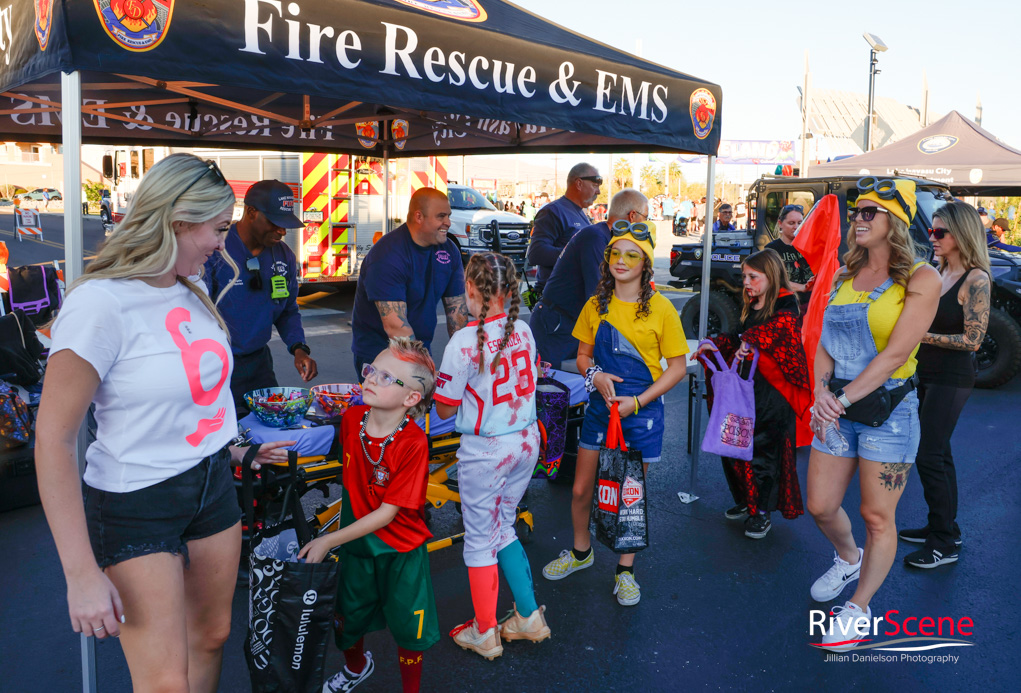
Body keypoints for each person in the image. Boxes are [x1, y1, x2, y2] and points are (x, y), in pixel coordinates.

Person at [34, 154, 294, 692]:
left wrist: (233, 450)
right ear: (176, 221)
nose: (222, 245)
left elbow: (199, 404)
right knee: (164, 681)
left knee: (213, 636)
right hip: (136, 502)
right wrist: (80, 573)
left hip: (212, 486)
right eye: (218, 229)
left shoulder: (191, 291)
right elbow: (54, 440)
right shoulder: (100, 303)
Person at [806, 177, 940, 651]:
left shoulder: (922, 278)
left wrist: (837, 400)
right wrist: (822, 389)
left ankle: (858, 606)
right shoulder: (845, 274)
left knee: (877, 516)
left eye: (869, 212)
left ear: (895, 221)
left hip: (889, 412)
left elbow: (893, 355)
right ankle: (848, 558)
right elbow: (826, 341)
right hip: (837, 406)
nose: (857, 219)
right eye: (856, 212)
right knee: (820, 505)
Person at [541, 221, 688, 606]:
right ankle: (580, 552)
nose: (622, 261)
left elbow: (676, 368)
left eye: (632, 255)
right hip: (599, 411)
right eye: (615, 253)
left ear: (645, 263)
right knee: (580, 489)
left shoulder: (662, 309)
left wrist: (636, 402)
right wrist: (594, 374)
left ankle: (625, 572)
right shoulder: (595, 305)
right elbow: (582, 357)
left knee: (629, 498)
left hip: (640, 415)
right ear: (607, 259)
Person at [298, 338, 439, 693]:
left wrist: (327, 539)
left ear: (411, 399)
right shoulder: (351, 419)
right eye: (372, 370)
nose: (372, 378)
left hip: (400, 553)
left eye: (387, 377)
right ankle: (357, 667)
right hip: (357, 547)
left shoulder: (412, 442)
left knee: (410, 629)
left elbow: (389, 513)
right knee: (347, 619)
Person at [433, 253, 550, 659]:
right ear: (510, 290)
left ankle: (486, 632)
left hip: (486, 451)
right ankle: (528, 616)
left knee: (480, 540)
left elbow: (445, 409)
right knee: (504, 527)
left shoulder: (463, 342)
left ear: (469, 289)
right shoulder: (526, 330)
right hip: (525, 440)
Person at [693, 249, 810, 539]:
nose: (746, 282)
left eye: (753, 276)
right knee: (736, 444)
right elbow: (737, 335)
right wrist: (717, 343)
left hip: (772, 393)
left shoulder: (786, 302)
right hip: (747, 389)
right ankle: (748, 501)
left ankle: (762, 512)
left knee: (763, 452)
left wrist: (752, 340)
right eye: (744, 276)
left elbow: (781, 330)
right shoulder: (754, 302)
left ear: (770, 276)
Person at [899, 202, 990, 568]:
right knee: (940, 453)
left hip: (954, 377)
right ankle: (944, 526)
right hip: (929, 374)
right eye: (931, 231)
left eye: (940, 233)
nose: (932, 238)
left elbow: (973, 340)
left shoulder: (975, 279)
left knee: (928, 454)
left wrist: (921, 335)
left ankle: (944, 543)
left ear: (961, 235)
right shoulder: (938, 271)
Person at [203, 180, 317, 415]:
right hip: (217, 366)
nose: (282, 231)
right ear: (251, 212)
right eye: (275, 223)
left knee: (272, 427)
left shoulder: (283, 255)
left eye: (285, 225)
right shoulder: (215, 251)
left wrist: (298, 348)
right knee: (226, 437)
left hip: (259, 365)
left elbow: (287, 310)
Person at [351, 188, 470, 374]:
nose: (448, 222)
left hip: (420, 349)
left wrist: (466, 361)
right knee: (394, 402)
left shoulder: (449, 251)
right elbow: (396, 327)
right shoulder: (387, 255)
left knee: (423, 400)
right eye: (441, 216)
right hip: (380, 354)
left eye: (448, 216)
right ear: (419, 217)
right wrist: (424, 371)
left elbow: (458, 315)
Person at [529, 189, 649, 369]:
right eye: (645, 218)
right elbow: (599, 295)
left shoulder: (606, 239)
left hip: (569, 323)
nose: (646, 224)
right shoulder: (595, 238)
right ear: (632, 216)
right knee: (553, 390)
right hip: (557, 327)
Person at [526, 162, 601, 293]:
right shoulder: (553, 211)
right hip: (557, 298)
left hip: (575, 296)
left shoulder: (581, 213)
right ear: (579, 183)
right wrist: (577, 254)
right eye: (595, 185)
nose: (598, 192)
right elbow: (536, 253)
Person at [765, 204, 815, 306]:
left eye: (800, 223)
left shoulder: (810, 246)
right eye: (791, 223)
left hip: (811, 304)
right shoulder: (772, 249)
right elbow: (772, 280)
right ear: (780, 223)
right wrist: (802, 287)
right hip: (785, 305)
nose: (796, 227)